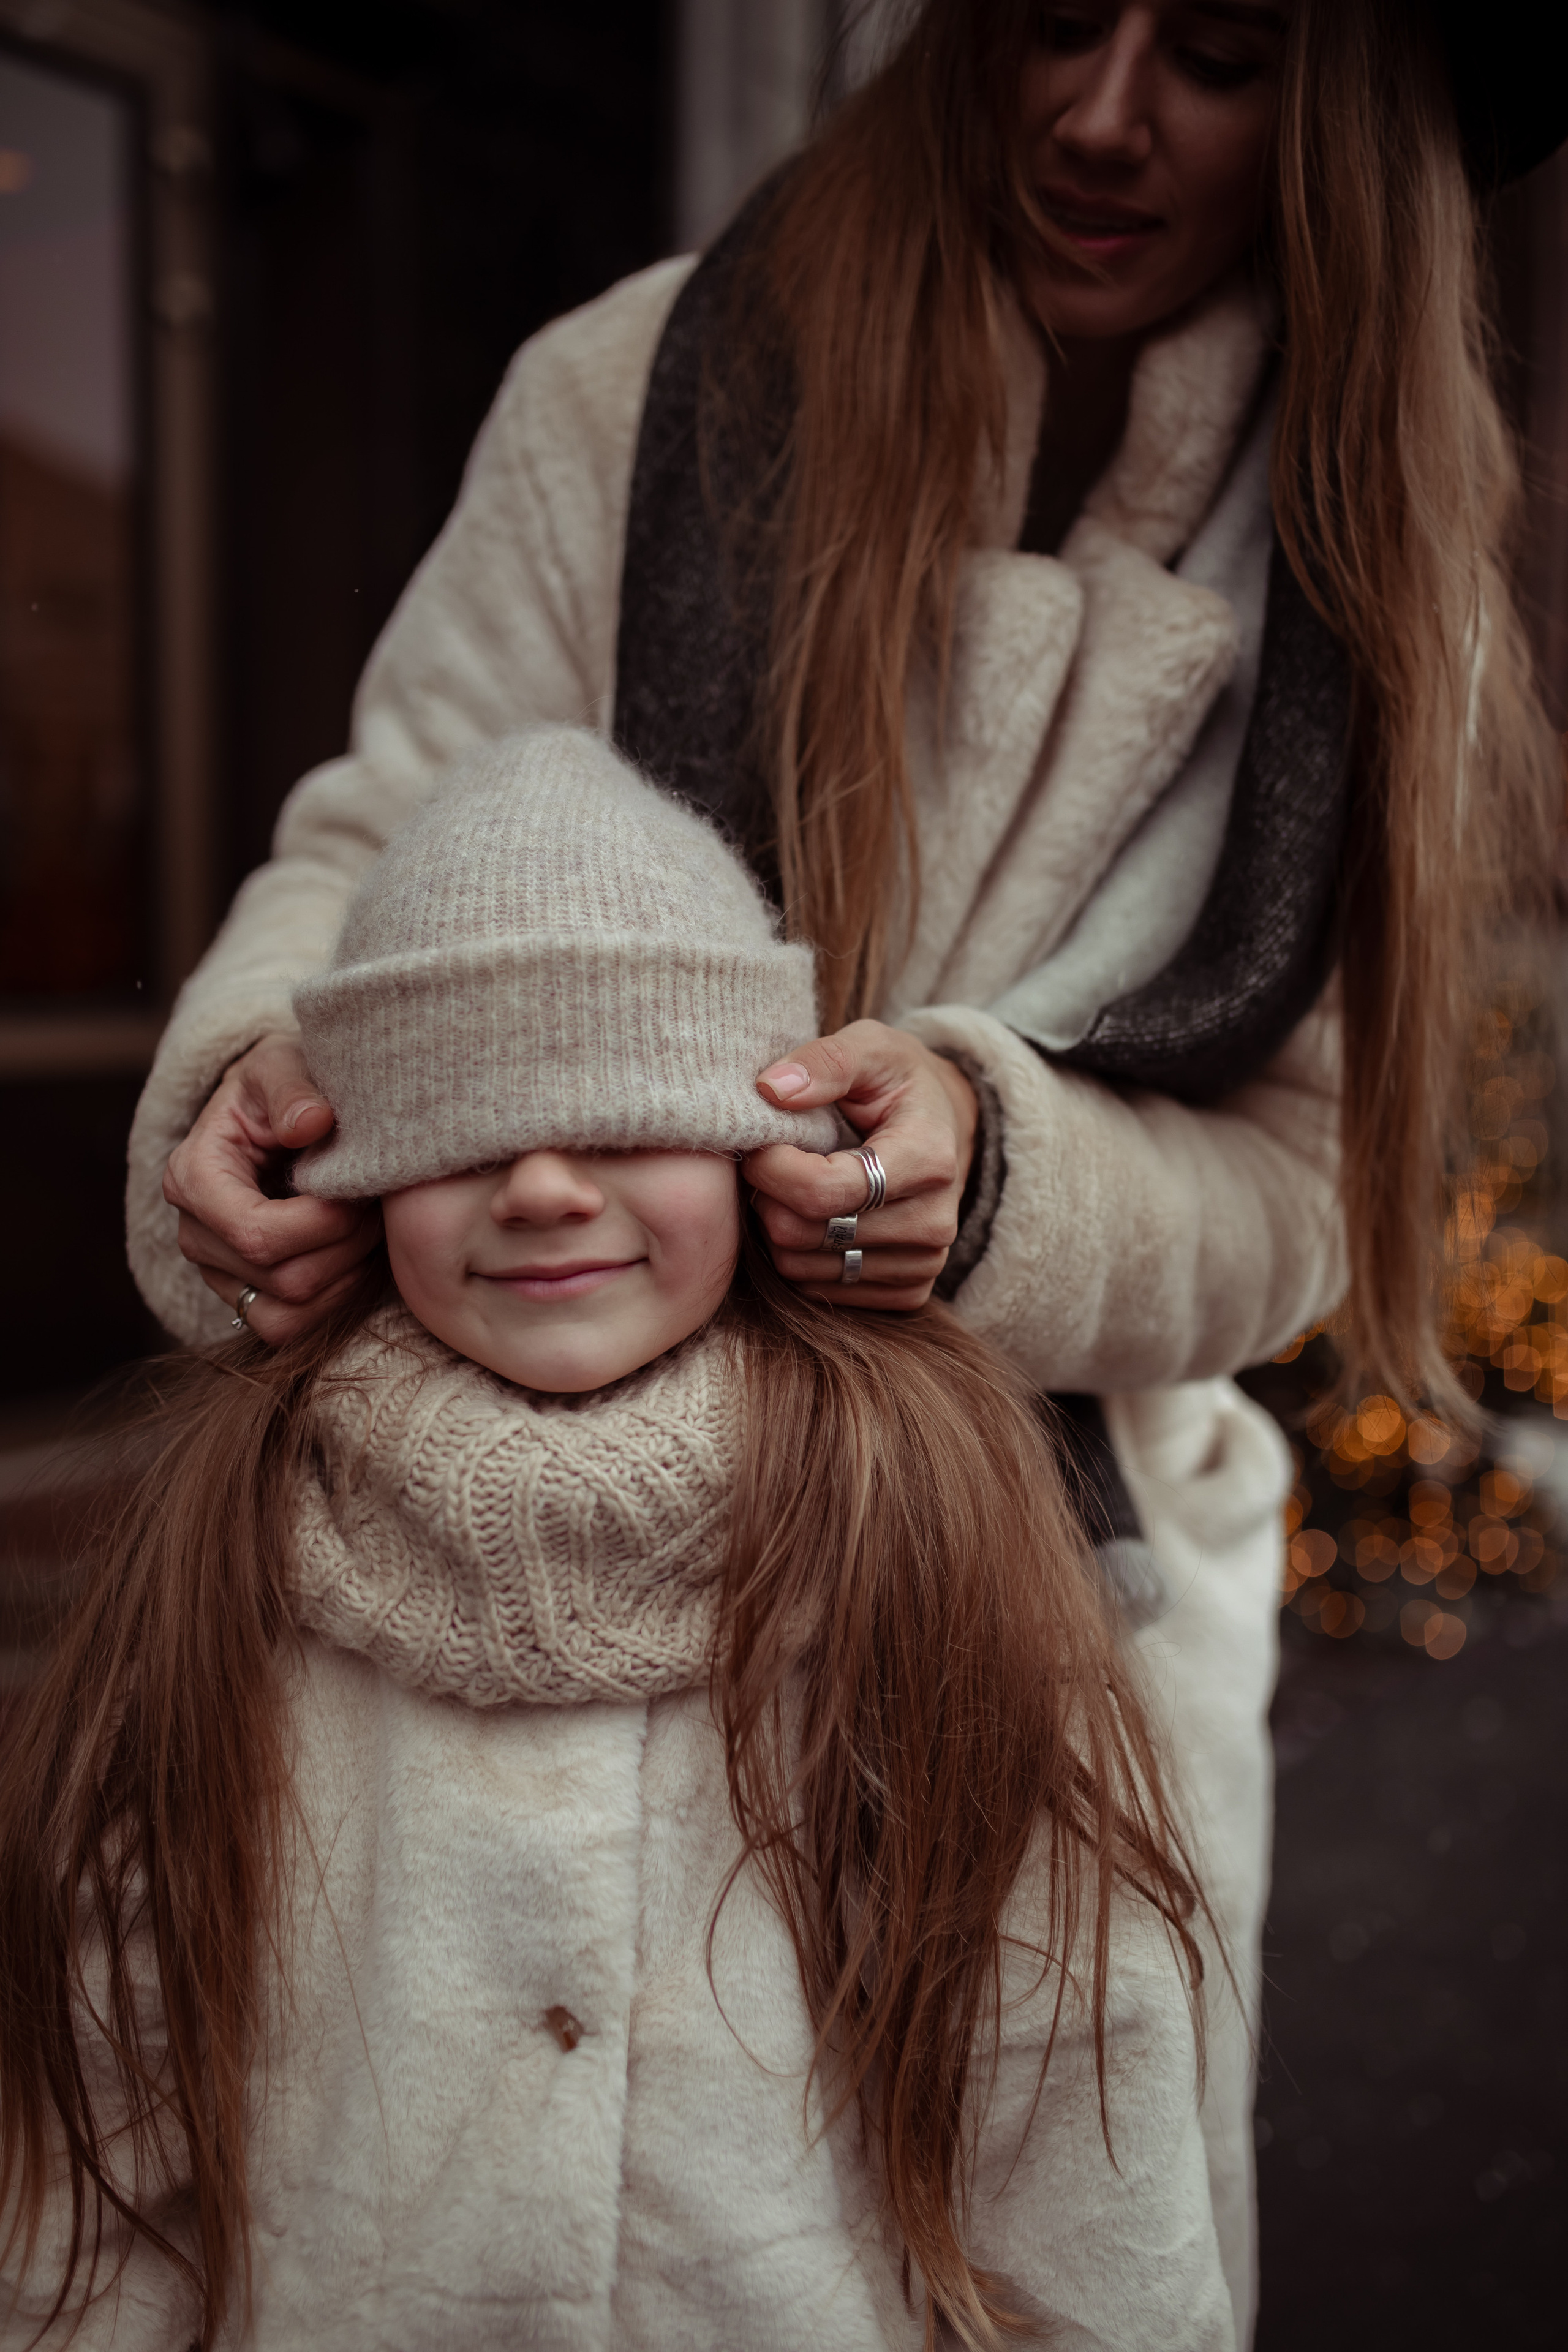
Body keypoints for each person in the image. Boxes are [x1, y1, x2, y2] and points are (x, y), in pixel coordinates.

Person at [118, 2, 1563, 2337]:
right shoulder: (632, 389)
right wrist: (242, 1080)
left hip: (1036, 1589)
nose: (1103, 114)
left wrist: (1008, 1180)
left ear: (1351, 116)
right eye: (1045, 20)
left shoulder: (1376, 560)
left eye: (1211, 48)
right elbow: (384, 836)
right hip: (525, 1535)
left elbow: (1299, 1191)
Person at [3, 728, 1232, 2352]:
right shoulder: (235, 1546)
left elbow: (1072, 2081)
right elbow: (110, 2113)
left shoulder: (917, 1534)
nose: (542, 1188)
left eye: (623, 1116)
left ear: (764, 1141)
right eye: (461, 1132)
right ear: (362, 1174)